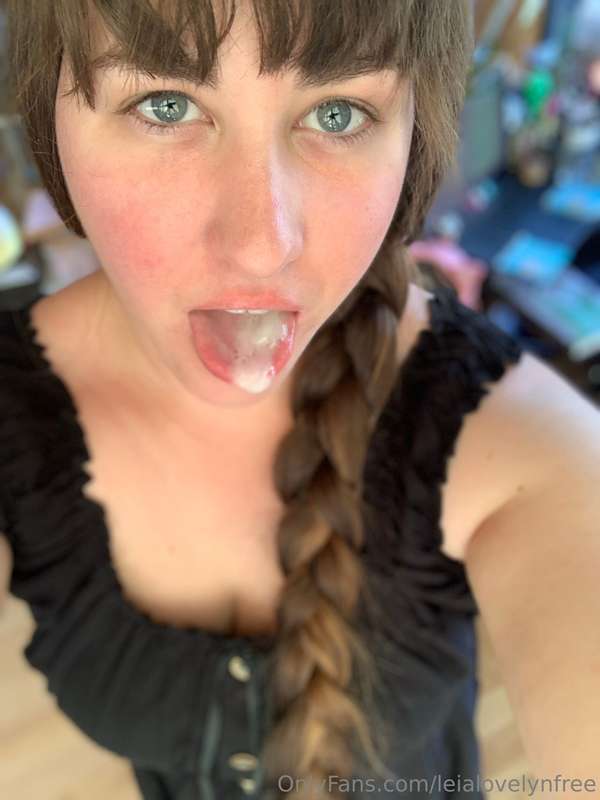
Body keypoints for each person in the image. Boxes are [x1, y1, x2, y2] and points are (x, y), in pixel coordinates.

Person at [1, 2, 600, 799]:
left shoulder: (527, 448)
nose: (263, 245)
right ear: (49, 121)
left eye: (337, 112)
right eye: (165, 104)